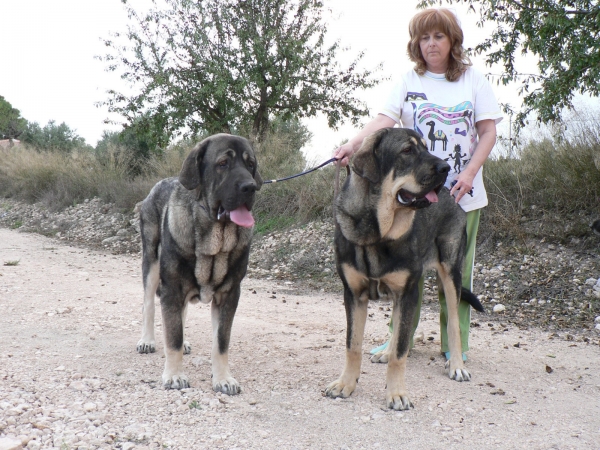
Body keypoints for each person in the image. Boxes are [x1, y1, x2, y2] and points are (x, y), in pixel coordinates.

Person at [334, 7, 503, 361]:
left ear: (452, 40)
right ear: (416, 44)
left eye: (438, 36)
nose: (431, 44)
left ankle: (454, 346)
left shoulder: (473, 81)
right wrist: (352, 144)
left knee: (453, 274)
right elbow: (383, 122)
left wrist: (469, 173)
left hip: (459, 193)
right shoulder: (409, 82)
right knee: (404, 275)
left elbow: (488, 131)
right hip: (411, 199)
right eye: (423, 38)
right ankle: (401, 342)